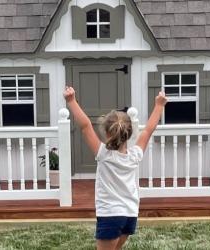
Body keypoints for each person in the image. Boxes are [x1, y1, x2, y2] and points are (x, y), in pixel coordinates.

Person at [63, 86, 168, 250]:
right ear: (129, 133)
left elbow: (85, 126)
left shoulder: (104, 154)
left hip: (110, 215)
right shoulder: (134, 156)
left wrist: (71, 101)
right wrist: (159, 105)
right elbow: (148, 130)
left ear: (106, 132)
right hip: (130, 215)